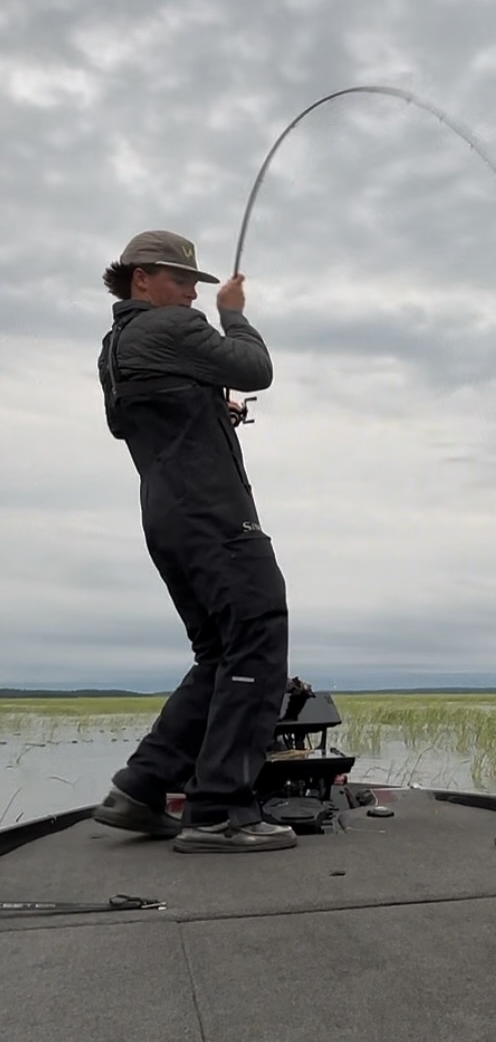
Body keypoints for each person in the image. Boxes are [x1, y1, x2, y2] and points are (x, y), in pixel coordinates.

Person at [92, 229, 296, 853]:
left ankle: (142, 788)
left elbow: (150, 416)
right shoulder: (170, 330)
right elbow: (255, 368)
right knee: (259, 629)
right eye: (180, 281)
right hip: (212, 515)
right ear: (140, 279)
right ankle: (219, 811)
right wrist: (233, 314)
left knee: (219, 652)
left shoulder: (116, 346)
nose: (191, 294)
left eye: (196, 284)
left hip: (167, 515)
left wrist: (212, 409)